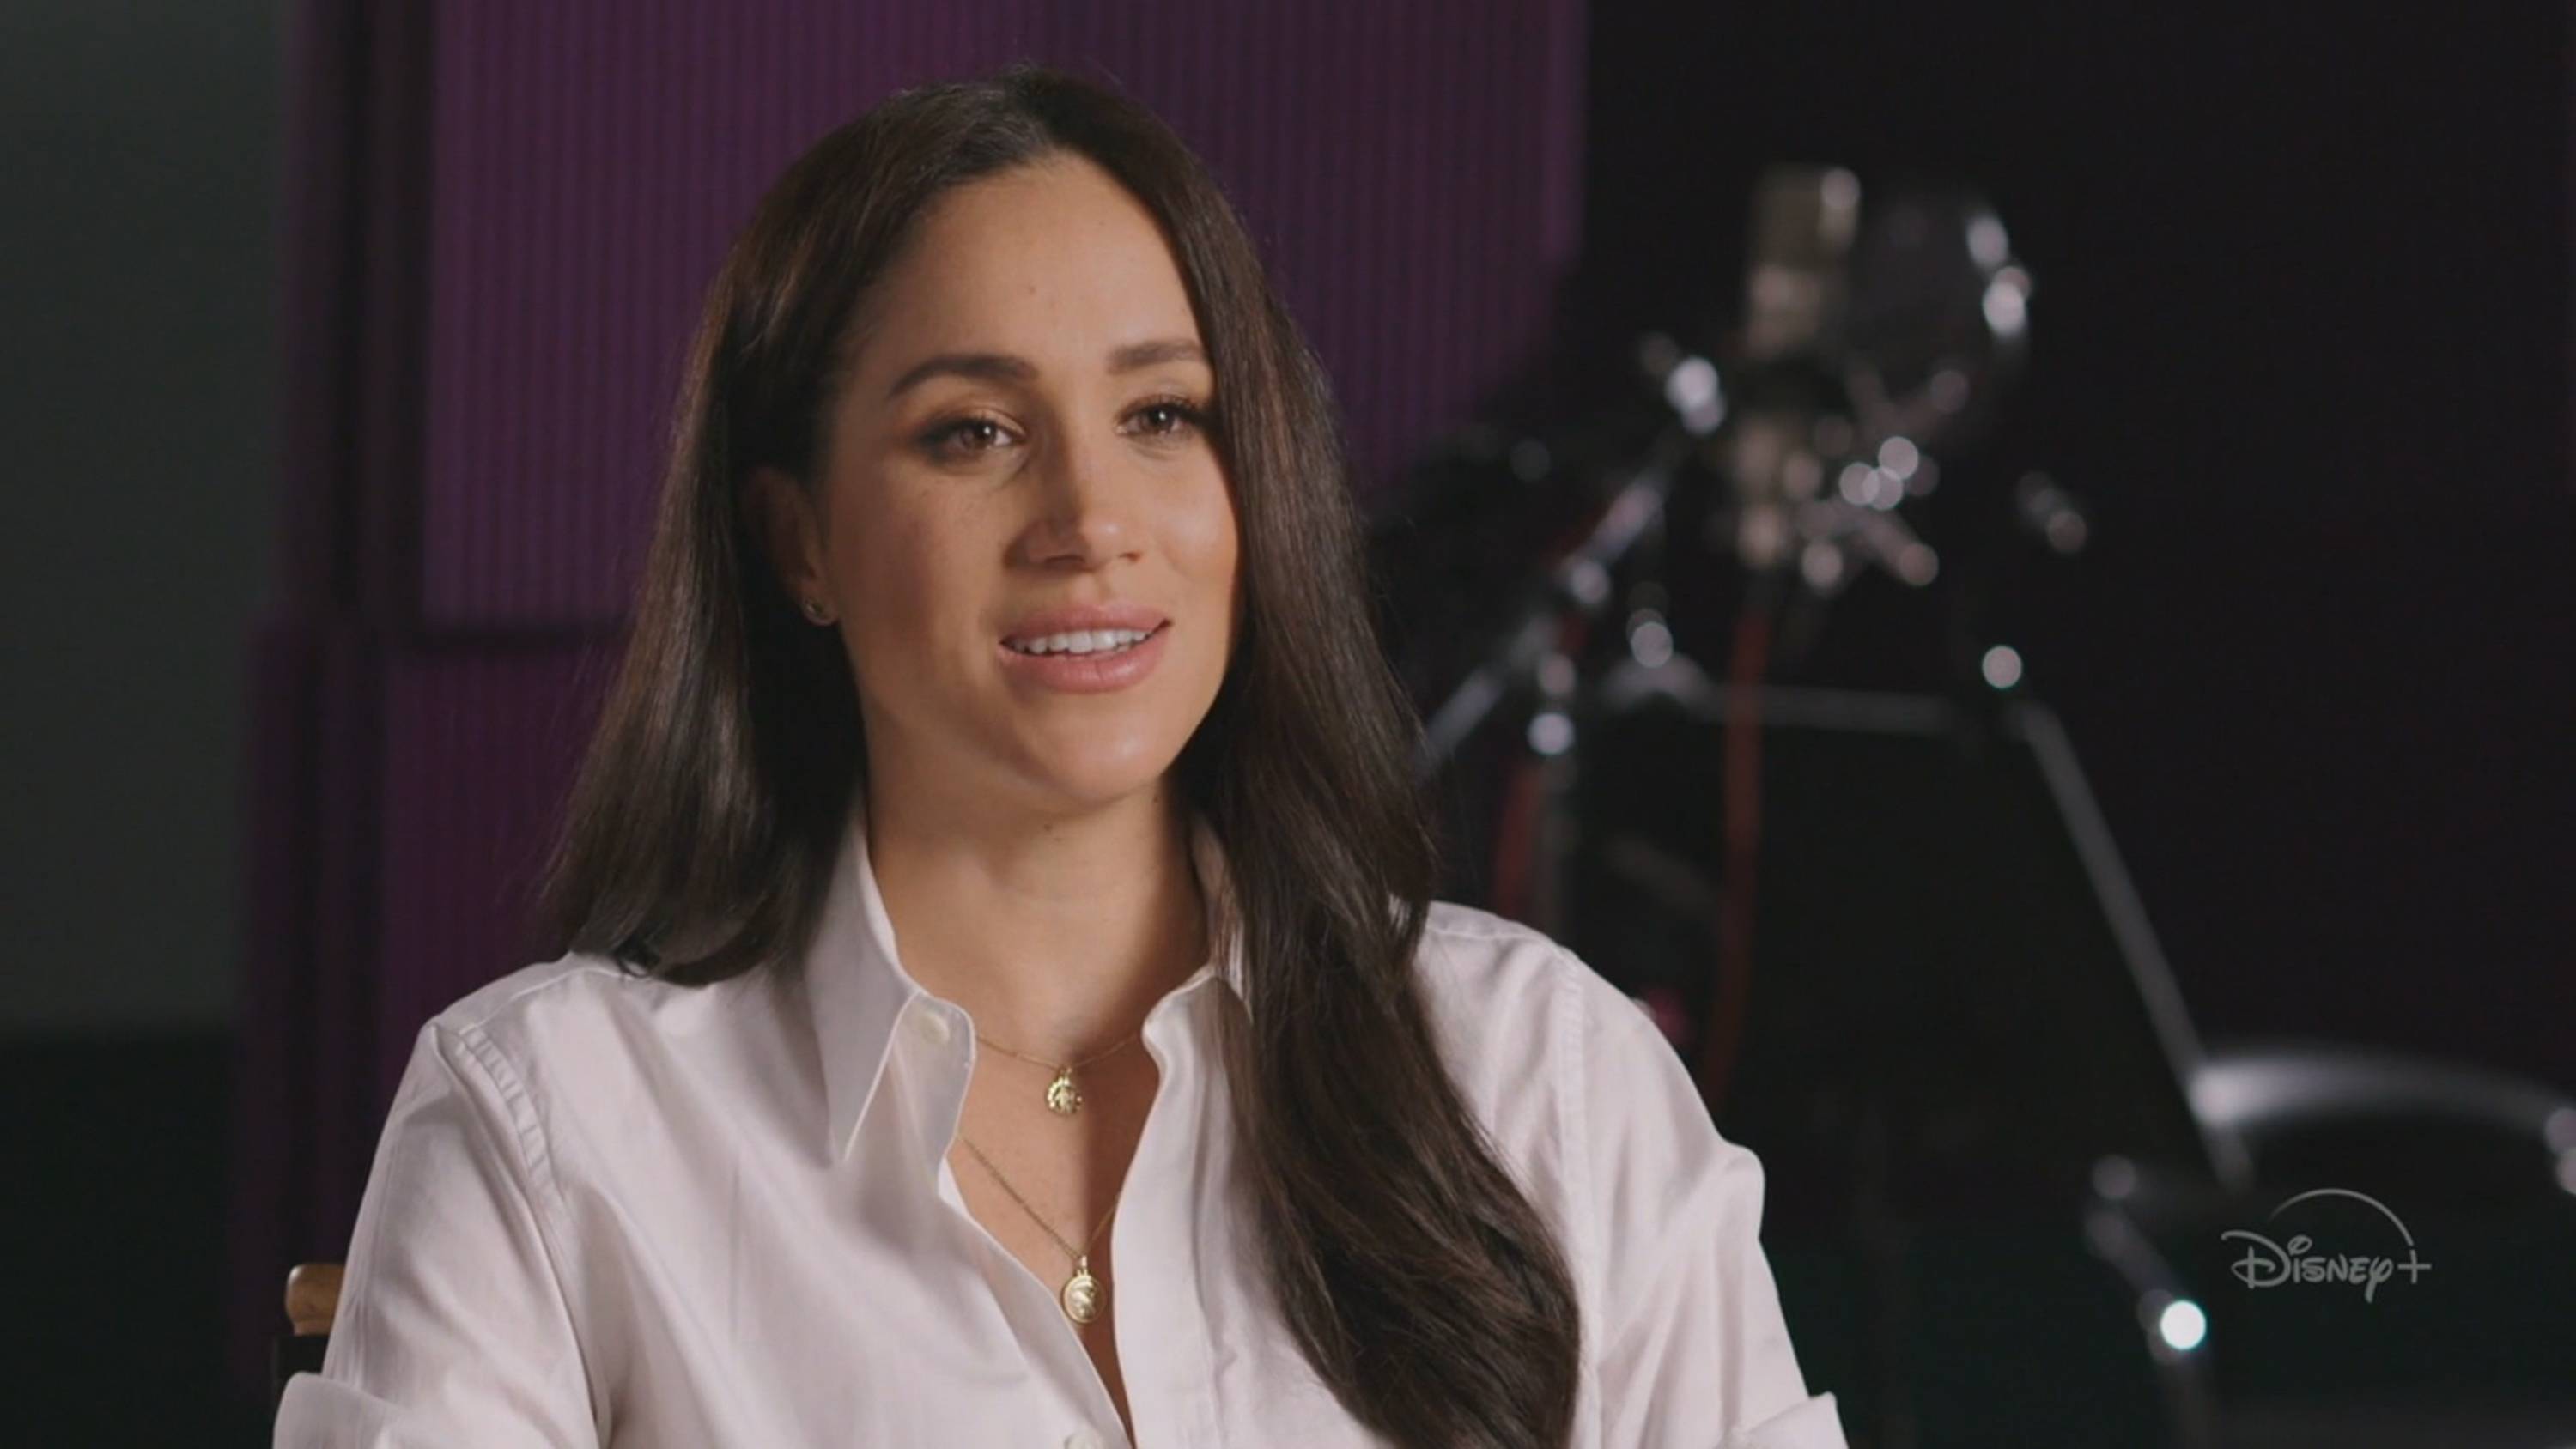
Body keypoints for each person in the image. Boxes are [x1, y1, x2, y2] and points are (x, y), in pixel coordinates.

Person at [272, 62, 1846, 1449]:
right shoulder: (554, 1126)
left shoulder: (1545, 1084)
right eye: (974, 432)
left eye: (1163, 416)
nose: (1092, 522)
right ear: (798, 539)